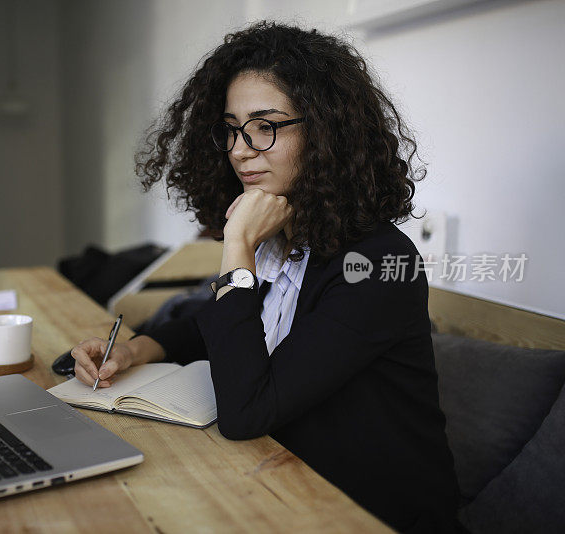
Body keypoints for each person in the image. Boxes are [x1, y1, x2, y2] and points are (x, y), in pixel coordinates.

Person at [70, 22, 460, 533]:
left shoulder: (380, 263)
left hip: (368, 513)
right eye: (232, 128)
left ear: (326, 131)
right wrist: (136, 349)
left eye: (265, 125)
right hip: (281, 481)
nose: (239, 149)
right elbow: (215, 323)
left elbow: (247, 413)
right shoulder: (285, 233)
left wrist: (237, 246)